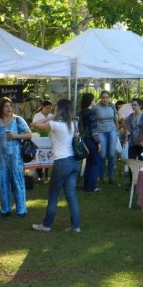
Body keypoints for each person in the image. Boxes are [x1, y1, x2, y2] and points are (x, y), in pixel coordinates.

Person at [31, 99, 85, 232]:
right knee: (71, 196)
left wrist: (51, 117)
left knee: (53, 195)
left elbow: (34, 124)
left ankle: (47, 225)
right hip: (73, 162)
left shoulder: (55, 124)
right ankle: (76, 226)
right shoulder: (73, 124)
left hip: (61, 162)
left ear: (59, 109)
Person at [92, 91, 118, 185]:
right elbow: (92, 120)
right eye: (103, 97)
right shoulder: (96, 108)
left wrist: (117, 128)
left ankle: (111, 177)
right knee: (102, 155)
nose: (105, 99)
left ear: (109, 98)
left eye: (107, 97)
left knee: (111, 154)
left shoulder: (112, 106)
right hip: (101, 131)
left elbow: (115, 118)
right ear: (100, 98)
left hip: (112, 130)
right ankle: (102, 177)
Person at [79, 93, 101, 192]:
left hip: (84, 139)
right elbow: (93, 130)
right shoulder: (90, 113)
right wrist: (98, 143)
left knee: (89, 162)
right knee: (95, 162)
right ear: (90, 101)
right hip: (91, 139)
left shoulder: (82, 112)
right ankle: (91, 186)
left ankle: (86, 185)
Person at [32, 100, 54, 181]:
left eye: (50, 108)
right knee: (39, 154)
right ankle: (39, 173)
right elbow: (35, 126)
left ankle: (46, 172)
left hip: (49, 138)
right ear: (42, 107)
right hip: (39, 138)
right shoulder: (37, 116)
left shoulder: (52, 116)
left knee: (48, 153)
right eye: (47, 108)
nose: (48, 110)